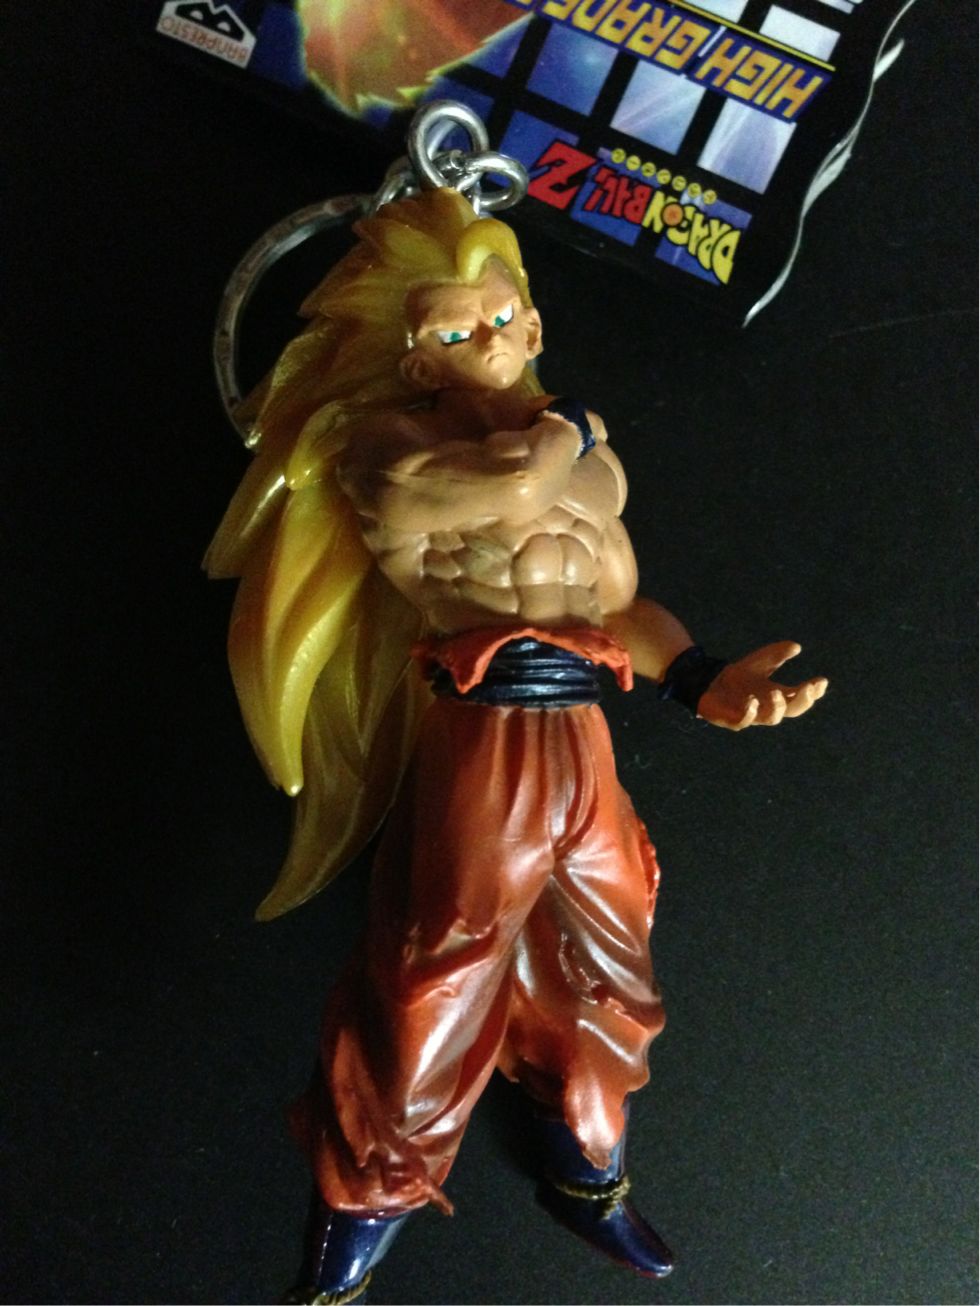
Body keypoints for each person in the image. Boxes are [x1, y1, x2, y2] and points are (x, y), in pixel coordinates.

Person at [207, 186, 826, 1303]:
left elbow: (618, 604)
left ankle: (585, 1160)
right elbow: (513, 480)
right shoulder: (391, 447)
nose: (485, 341)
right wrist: (569, 425)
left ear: (532, 323)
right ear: (415, 358)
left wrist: (701, 678)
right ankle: (368, 1193)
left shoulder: (591, 463)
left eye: (498, 318)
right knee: (437, 968)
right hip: (483, 737)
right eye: (453, 332)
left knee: (612, 956)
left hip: (581, 729)